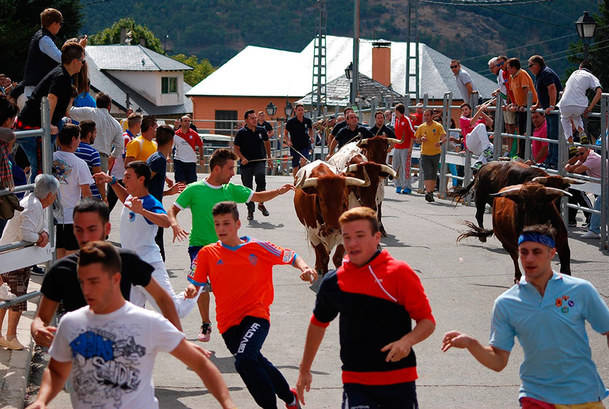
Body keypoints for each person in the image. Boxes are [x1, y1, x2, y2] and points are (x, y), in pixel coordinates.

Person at [26, 241, 235, 409]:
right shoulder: (71, 323)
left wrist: (227, 402)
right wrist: (42, 400)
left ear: (116, 279)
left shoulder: (148, 323)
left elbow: (201, 364)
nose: (86, 290)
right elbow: (56, 371)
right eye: (83, 282)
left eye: (94, 281)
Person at [442, 224, 609, 409]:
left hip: (584, 395)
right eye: (524, 252)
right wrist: (471, 344)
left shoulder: (580, 290)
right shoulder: (506, 303)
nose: (529, 258)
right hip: (537, 397)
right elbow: (498, 361)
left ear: (552, 253)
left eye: (536, 252)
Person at [296, 207, 435, 408]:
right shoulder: (333, 282)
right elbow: (318, 323)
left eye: (360, 236)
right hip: (356, 382)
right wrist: (304, 369)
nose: (352, 243)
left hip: (399, 381)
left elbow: (427, 321)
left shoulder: (399, 273)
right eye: (347, 237)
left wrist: (407, 341)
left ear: (377, 237)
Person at [185, 201, 317, 409]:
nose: (221, 229)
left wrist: (306, 268)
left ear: (238, 224)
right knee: (256, 361)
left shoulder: (257, 247)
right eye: (217, 224)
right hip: (227, 323)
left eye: (226, 223)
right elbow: (196, 283)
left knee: (245, 360)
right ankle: (290, 398)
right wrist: (193, 290)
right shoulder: (207, 253)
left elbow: (291, 256)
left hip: (257, 316)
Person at [168, 148, 294, 342]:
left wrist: (279, 191)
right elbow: (173, 210)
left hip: (226, 248)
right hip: (199, 247)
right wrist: (175, 224)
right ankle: (205, 324)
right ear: (217, 169)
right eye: (230, 168)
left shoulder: (231, 190)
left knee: (228, 286)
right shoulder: (194, 189)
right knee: (199, 284)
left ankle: (237, 321)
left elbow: (258, 197)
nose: (233, 173)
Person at [31, 198, 182, 348]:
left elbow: (163, 299)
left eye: (92, 229)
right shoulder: (61, 270)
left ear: (107, 229)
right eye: (79, 229)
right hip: (78, 360)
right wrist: (38, 330)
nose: (85, 237)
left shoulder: (128, 261)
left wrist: (179, 341)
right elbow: (41, 318)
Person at [94, 161, 197, 318]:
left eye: (128, 177)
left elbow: (166, 221)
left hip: (150, 264)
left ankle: (198, 285)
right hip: (130, 266)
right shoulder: (132, 199)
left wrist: (142, 211)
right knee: (131, 315)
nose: (124, 180)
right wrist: (112, 181)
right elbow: (125, 197)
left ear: (141, 179)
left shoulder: (149, 202)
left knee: (175, 311)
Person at [0, 175, 58, 350]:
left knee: (7, 297)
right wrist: (40, 237)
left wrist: (44, 234)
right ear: (49, 195)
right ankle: (10, 336)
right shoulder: (32, 206)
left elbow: (43, 226)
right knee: (16, 298)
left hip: (17, 256)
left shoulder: (37, 203)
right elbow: (27, 234)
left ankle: (5, 335)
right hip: (14, 257)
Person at [17, 42, 86, 181]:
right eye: (82, 61)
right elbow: (51, 98)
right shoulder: (61, 77)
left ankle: (42, 197)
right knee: (42, 168)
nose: (83, 64)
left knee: (43, 166)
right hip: (33, 127)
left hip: (32, 124)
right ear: (74, 62)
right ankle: (38, 199)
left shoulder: (62, 73)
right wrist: (47, 124)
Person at [22, 8, 87, 98]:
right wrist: (79, 47)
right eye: (60, 23)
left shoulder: (42, 36)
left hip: (36, 88)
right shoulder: (44, 39)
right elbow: (63, 59)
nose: (60, 26)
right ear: (54, 23)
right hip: (37, 89)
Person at [52, 123, 93, 259]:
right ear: (74, 139)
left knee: (58, 256)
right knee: (72, 257)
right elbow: (87, 193)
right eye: (79, 138)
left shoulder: (50, 158)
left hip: (53, 217)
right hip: (71, 218)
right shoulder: (80, 164)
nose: (80, 141)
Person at [146, 125, 184, 260]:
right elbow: (144, 183)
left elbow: (149, 186)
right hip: (152, 208)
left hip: (151, 205)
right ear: (172, 141)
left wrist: (168, 192)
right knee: (157, 246)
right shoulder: (159, 159)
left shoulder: (155, 157)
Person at [69, 92, 124, 172]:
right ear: (109, 106)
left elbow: (71, 111)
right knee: (99, 183)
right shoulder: (116, 124)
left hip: (85, 153)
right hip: (102, 158)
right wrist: (112, 157)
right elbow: (120, 146)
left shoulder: (89, 112)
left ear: (97, 103)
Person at [234, 109, 272, 221]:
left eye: (255, 118)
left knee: (260, 177)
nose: (255, 120)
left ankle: (261, 203)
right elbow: (236, 148)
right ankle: (250, 210)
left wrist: (269, 157)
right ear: (246, 120)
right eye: (252, 118)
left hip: (259, 160)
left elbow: (267, 142)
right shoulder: (241, 133)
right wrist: (242, 158)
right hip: (246, 163)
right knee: (247, 188)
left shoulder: (261, 130)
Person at [528, 55, 562, 168]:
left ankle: (554, 161)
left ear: (537, 65)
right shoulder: (540, 74)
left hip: (553, 110)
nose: (530, 68)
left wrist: (552, 106)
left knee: (554, 134)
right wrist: (538, 105)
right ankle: (550, 160)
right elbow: (540, 91)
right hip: (547, 109)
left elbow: (552, 88)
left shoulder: (546, 73)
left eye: (530, 65)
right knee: (550, 135)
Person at [565, 146, 606, 239]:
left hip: (604, 183)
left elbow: (576, 170)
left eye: (581, 154)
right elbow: (570, 168)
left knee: (599, 204)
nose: (579, 156)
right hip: (600, 184)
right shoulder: (584, 157)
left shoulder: (592, 158)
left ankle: (594, 230)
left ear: (588, 151)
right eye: (577, 154)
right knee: (601, 206)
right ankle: (594, 229)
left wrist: (570, 164)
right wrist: (573, 161)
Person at [558, 60, 603, 144]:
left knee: (564, 118)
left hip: (564, 104)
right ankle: (581, 132)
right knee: (576, 115)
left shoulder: (574, 73)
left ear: (580, 67)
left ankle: (570, 143)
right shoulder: (591, 76)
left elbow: (565, 89)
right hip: (580, 106)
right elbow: (599, 92)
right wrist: (590, 108)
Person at [108, 112, 141, 212]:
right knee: (109, 205)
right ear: (138, 125)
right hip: (118, 177)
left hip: (123, 177)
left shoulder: (132, 138)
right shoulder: (126, 138)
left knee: (130, 205)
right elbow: (126, 160)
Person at [506, 57, 538, 155]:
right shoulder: (512, 77)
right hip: (521, 107)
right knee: (521, 130)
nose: (507, 70)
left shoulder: (522, 74)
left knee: (527, 130)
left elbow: (525, 89)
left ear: (514, 67)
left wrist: (524, 104)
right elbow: (513, 92)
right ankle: (521, 153)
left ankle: (526, 154)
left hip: (529, 105)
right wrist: (514, 103)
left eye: (508, 68)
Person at [415, 109, 447, 202]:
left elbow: (444, 137)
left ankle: (430, 192)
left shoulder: (438, 126)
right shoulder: (421, 127)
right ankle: (428, 192)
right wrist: (421, 139)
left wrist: (440, 142)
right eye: (425, 115)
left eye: (428, 115)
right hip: (425, 153)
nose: (426, 117)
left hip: (436, 153)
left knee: (433, 174)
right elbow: (416, 139)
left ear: (432, 116)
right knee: (427, 172)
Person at [74, 120, 105, 201]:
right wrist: (104, 197)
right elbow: (98, 179)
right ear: (89, 134)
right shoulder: (93, 153)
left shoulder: (71, 149)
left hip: (75, 195)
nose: (95, 136)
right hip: (91, 196)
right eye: (95, 133)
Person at [459, 102, 494, 171]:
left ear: (470, 110)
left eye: (466, 109)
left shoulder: (478, 119)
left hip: (478, 147)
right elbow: (472, 122)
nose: (464, 111)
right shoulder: (462, 119)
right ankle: (486, 150)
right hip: (470, 144)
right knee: (481, 126)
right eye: (462, 110)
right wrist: (480, 110)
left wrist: (482, 112)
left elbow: (490, 122)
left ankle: (479, 162)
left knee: (492, 147)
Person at [389, 104, 414, 194]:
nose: (394, 112)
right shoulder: (396, 120)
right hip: (397, 147)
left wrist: (410, 148)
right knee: (395, 166)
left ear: (398, 111)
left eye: (395, 110)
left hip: (405, 148)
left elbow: (412, 134)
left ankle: (407, 186)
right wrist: (392, 146)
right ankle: (398, 185)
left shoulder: (406, 120)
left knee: (405, 167)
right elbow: (396, 135)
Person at [284, 104, 314, 176]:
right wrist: (288, 141)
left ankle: (302, 178)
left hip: (305, 145)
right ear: (295, 111)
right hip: (295, 146)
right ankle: (295, 180)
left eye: (302, 110)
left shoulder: (308, 121)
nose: (301, 112)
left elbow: (310, 130)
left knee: (303, 161)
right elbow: (285, 133)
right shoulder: (291, 122)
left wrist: (311, 137)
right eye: (299, 110)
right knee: (295, 166)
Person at [174, 115, 204, 185]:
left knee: (191, 184)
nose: (187, 122)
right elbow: (170, 146)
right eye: (185, 121)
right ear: (180, 123)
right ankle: (182, 195)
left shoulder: (194, 134)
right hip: (179, 161)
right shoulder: (175, 134)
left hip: (191, 161)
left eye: (189, 121)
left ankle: (189, 195)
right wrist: (168, 156)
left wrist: (201, 158)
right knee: (181, 182)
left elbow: (200, 146)